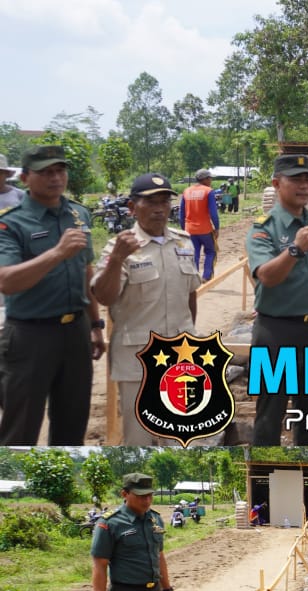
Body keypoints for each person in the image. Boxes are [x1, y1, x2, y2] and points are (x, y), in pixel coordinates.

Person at [0, 145, 106, 444]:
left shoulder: (78, 214)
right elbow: (6, 281)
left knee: (73, 425)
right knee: (19, 431)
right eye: (45, 172)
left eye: (60, 170)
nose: (55, 178)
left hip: (76, 332)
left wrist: (96, 326)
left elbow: (86, 272)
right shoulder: (10, 224)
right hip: (30, 336)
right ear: (24, 178)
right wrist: (57, 253)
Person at [90, 173, 201, 445]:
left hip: (180, 357)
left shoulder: (183, 242)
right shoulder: (120, 247)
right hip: (137, 361)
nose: (159, 208)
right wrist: (117, 259)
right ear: (131, 207)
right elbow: (104, 296)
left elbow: (190, 296)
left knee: (179, 437)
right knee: (139, 439)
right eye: (150, 202)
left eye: (164, 201)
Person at [245, 153, 308, 445]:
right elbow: (266, 277)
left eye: (307, 178)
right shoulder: (264, 228)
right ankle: (264, 483)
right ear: (277, 183)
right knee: (270, 417)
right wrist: (294, 250)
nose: (303, 185)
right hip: (276, 334)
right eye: (295, 179)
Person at [180, 168, 219, 281]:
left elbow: (181, 213)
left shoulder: (186, 191)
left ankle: (195, 278)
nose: (211, 180)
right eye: (210, 178)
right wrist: (217, 228)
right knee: (211, 251)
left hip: (190, 230)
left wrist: (184, 228)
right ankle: (206, 276)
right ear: (205, 179)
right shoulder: (208, 191)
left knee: (194, 254)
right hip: (205, 229)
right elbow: (213, 213)